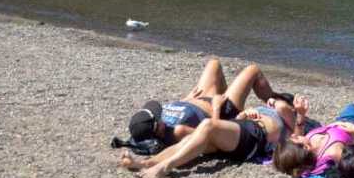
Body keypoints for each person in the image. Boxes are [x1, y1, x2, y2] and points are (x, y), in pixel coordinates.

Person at [124, 58, 302, 149]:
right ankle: (274, 99)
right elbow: (210, 134)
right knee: (252, 70)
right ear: (158, 129)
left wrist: (185, 99)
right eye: (157, 116)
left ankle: (232, 93)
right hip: (223, 109)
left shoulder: (159, 123)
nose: (159, 113)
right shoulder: (176, 132)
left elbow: (175, 111)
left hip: (198, 99)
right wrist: (217, 106)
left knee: (213, 64)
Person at [121, 99, 297, 178]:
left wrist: (280, 104)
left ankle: (165, 167)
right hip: (242, 133)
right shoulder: (267, 110)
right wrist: (244, 114)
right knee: (190, 139)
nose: (272, 103)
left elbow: (295, 131)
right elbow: (238, 121)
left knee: (207, 125)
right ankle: (146, 163)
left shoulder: (287, 115)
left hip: (256, 137)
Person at [272, 87, 354, 178]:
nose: (294, 135)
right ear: (305, 148)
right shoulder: (333, 153)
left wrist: (300, 114)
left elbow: (298, 135)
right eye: (294, 139)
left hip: (346, 117)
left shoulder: (307, 147)